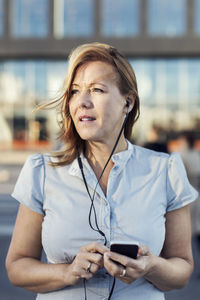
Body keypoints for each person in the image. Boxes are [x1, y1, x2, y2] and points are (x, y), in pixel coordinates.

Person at [6, 43, 198, 300]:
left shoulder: (165, 171)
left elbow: (182, 270)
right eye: (75, 91)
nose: (82, 102)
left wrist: (151, 266)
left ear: (127, 102)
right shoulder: (41, 171)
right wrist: (68, 272)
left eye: (96, 90)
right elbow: (17, 267)